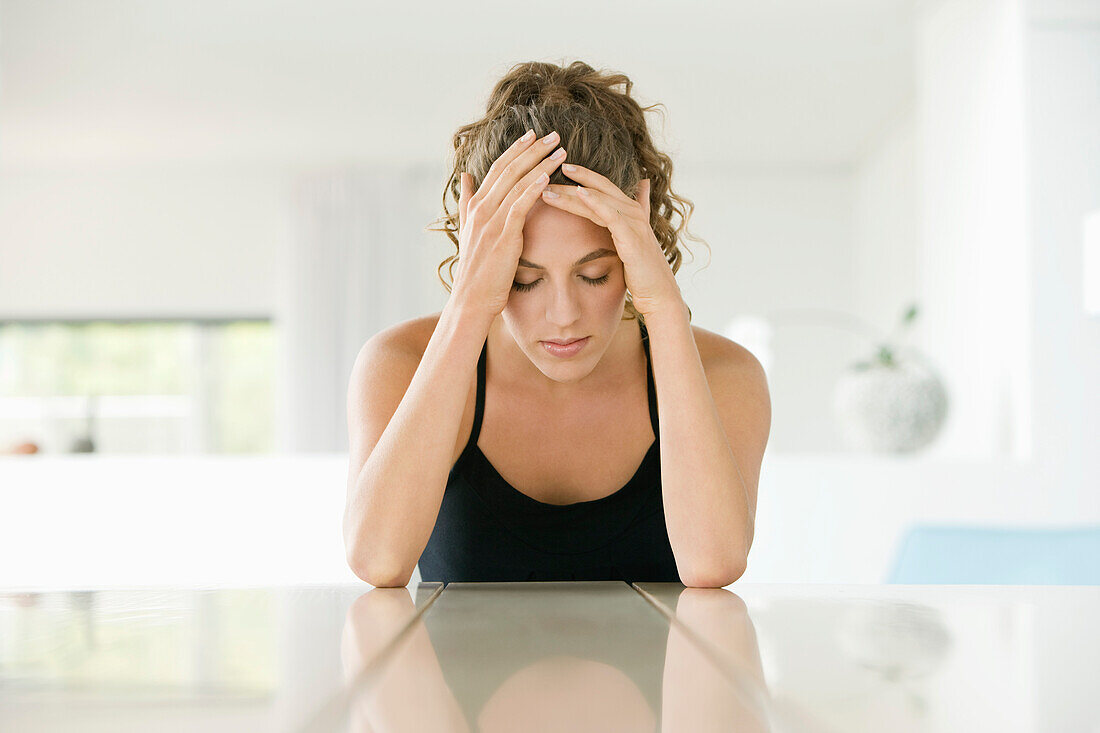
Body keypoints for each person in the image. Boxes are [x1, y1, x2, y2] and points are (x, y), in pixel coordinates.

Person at [343, 60, 771, 587]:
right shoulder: (399, 363)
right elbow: (376, 561)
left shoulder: (726, 373)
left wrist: (662, 307)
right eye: (524, 280)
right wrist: (469, 305)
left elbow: (713, 564)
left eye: (594, 274)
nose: (564, 316)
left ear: (638, 248)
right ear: (480, 252)